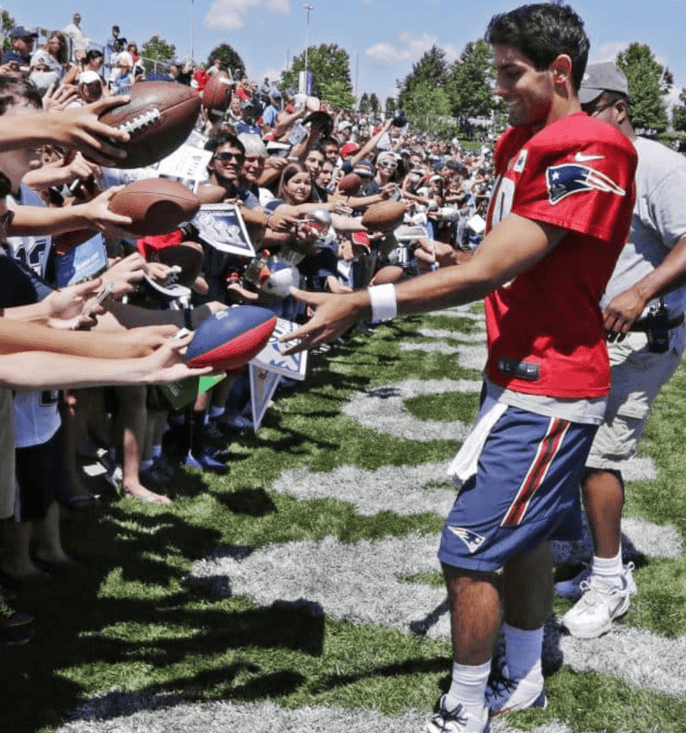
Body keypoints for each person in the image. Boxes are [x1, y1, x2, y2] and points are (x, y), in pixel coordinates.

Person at [283, 5, 637, 731]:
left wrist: (364, 302)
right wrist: (461, 261)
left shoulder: (591, 144)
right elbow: (505, 264)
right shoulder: (521, 139)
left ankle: (465, 704)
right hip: (514, 370)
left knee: (467, 552)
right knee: (525, 538)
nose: (500, 89)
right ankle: (527, 671)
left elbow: (491, 272)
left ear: (560, 71)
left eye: (513, 73)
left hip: (550, 382)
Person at [557, 62, 686, 639]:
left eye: (587, 110)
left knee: (596, 457)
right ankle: (596, 562)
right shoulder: (595, 165)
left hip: (644, 335)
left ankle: (610, 580)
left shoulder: (656, 164)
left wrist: (638, 291)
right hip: (598, 332)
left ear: (618, 106)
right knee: (570, 442)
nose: (577, 122)